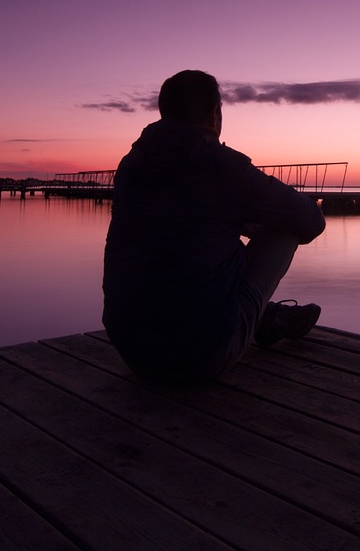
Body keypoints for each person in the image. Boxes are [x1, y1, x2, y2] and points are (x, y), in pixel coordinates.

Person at [102, 69, 326, 382]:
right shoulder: (221, 166)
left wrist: (235, 218)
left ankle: (264, 318)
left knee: (203, 237)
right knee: (285, 226)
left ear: (164, 113)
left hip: (132, 352)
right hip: (200, 358)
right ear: (214, 113)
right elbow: (311, 221)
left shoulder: (131, 166)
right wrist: (257, 220)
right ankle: (261, 318)